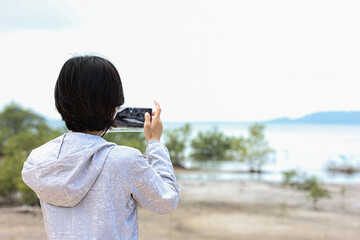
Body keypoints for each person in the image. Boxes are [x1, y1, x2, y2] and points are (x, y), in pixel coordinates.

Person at [21, 55, 180, 240]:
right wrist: (154, 144)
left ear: (60, 102)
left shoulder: (39, 160)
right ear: (115, 105)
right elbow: (166, 201)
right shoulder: (124, 160)